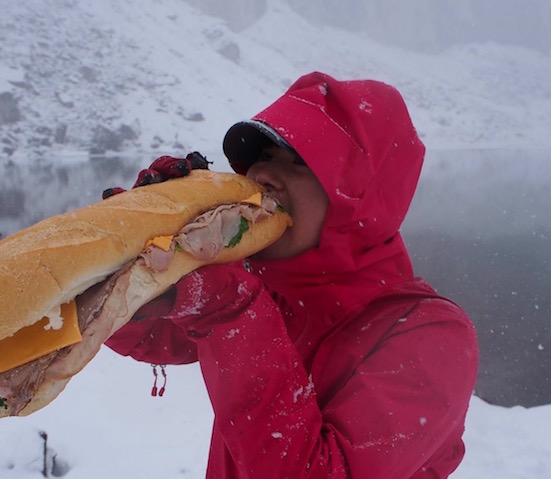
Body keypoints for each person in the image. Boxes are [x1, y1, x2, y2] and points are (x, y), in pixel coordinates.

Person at [106, 71, 479, 478]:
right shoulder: (269, 291)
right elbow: (145, 332)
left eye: (301, 161)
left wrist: (229, 307)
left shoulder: (432, 335)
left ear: (359, 200)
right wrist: (134, 251)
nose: (262, 176)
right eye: (263, 158)